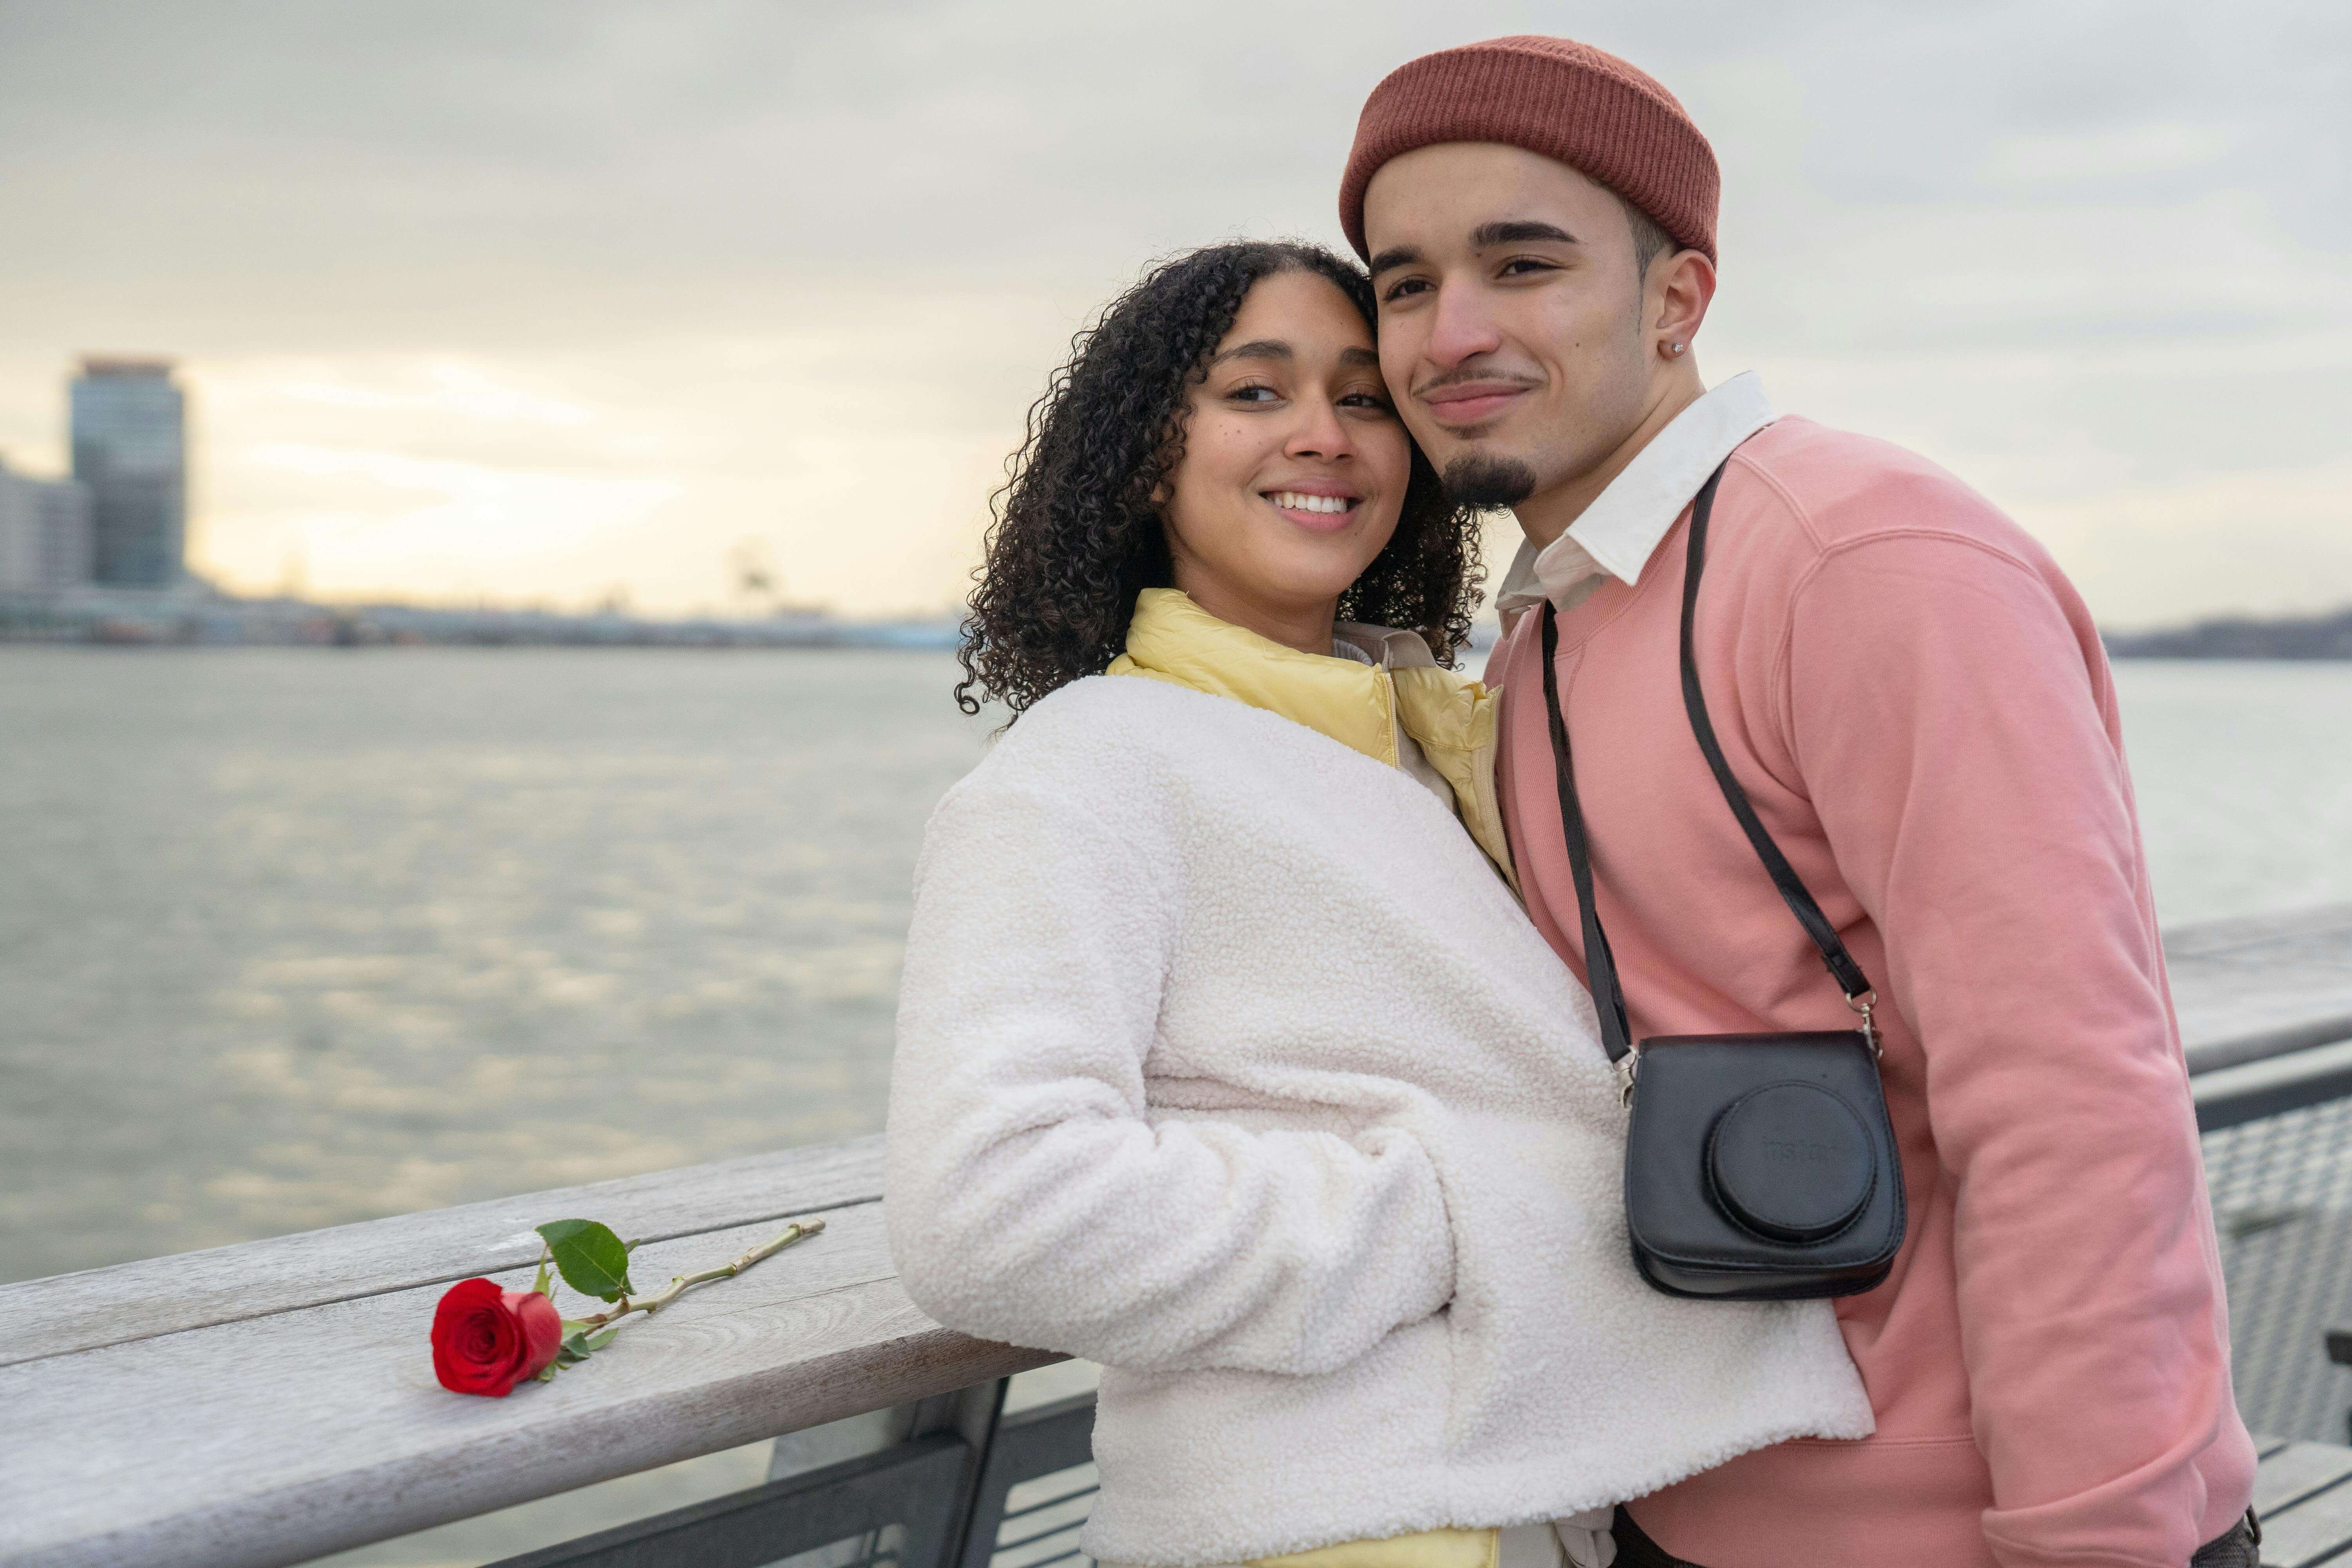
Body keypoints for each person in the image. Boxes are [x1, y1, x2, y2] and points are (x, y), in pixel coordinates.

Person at [1341, 34, 2259, 1568]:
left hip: (1974, 1535)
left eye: (1524, 263)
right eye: (1407, 281)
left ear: (1680, 296)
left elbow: (2071, 1099)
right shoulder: (1548, 623)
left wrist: (2100, 1539)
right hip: (1678, 1506)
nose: (1455, 330)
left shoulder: (1865, 562)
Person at [884, 239, 1872, 1568]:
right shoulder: (1090, 764)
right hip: (1330, 1527)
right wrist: (1457, 1221)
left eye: (1364, 399)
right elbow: (993, 1216)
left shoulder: (1434, 740)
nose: (1326, 437)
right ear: (1144, 455)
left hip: (1548, 1490)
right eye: (1254, 393)